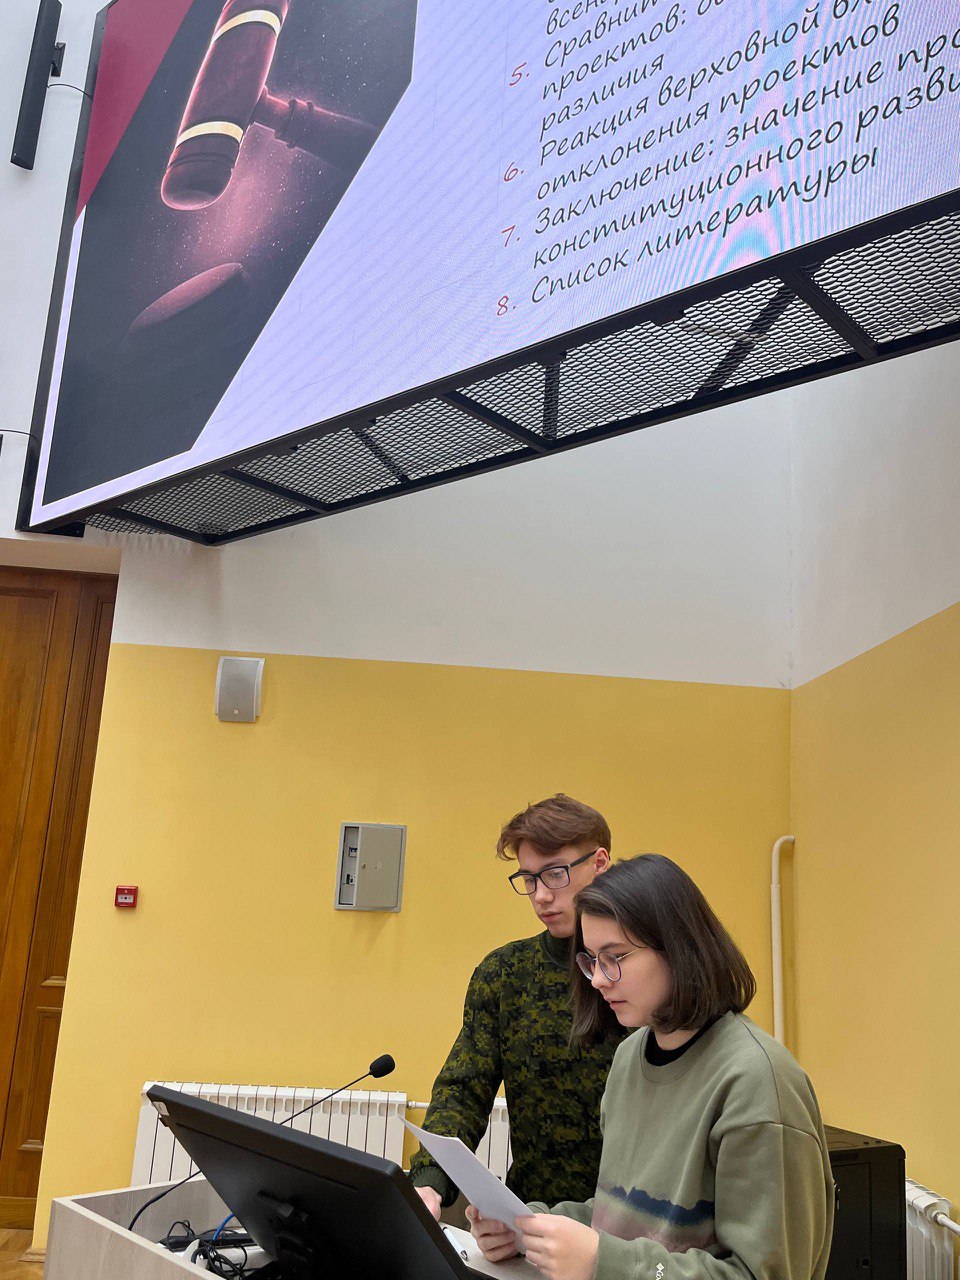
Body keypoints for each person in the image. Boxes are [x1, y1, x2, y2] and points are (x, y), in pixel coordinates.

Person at [467, 854, 835, 1280]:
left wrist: (600, 1262)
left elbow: (761, 1275)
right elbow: (626, 1218)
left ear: (678, 948)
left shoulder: (757, 1082)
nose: (598, 980)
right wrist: (528, 1228)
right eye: (591, 960)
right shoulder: (629, 1057)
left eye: (615, 957)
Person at [409, 794, 621, 1220]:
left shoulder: (641, 970)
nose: (541, 895)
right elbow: (464, 1088)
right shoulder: (506, 973)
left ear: (599, 863)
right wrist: (429, 1180)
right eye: (528, 878)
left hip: (630, 1224)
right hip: (532, 1217)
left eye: (555, 874)